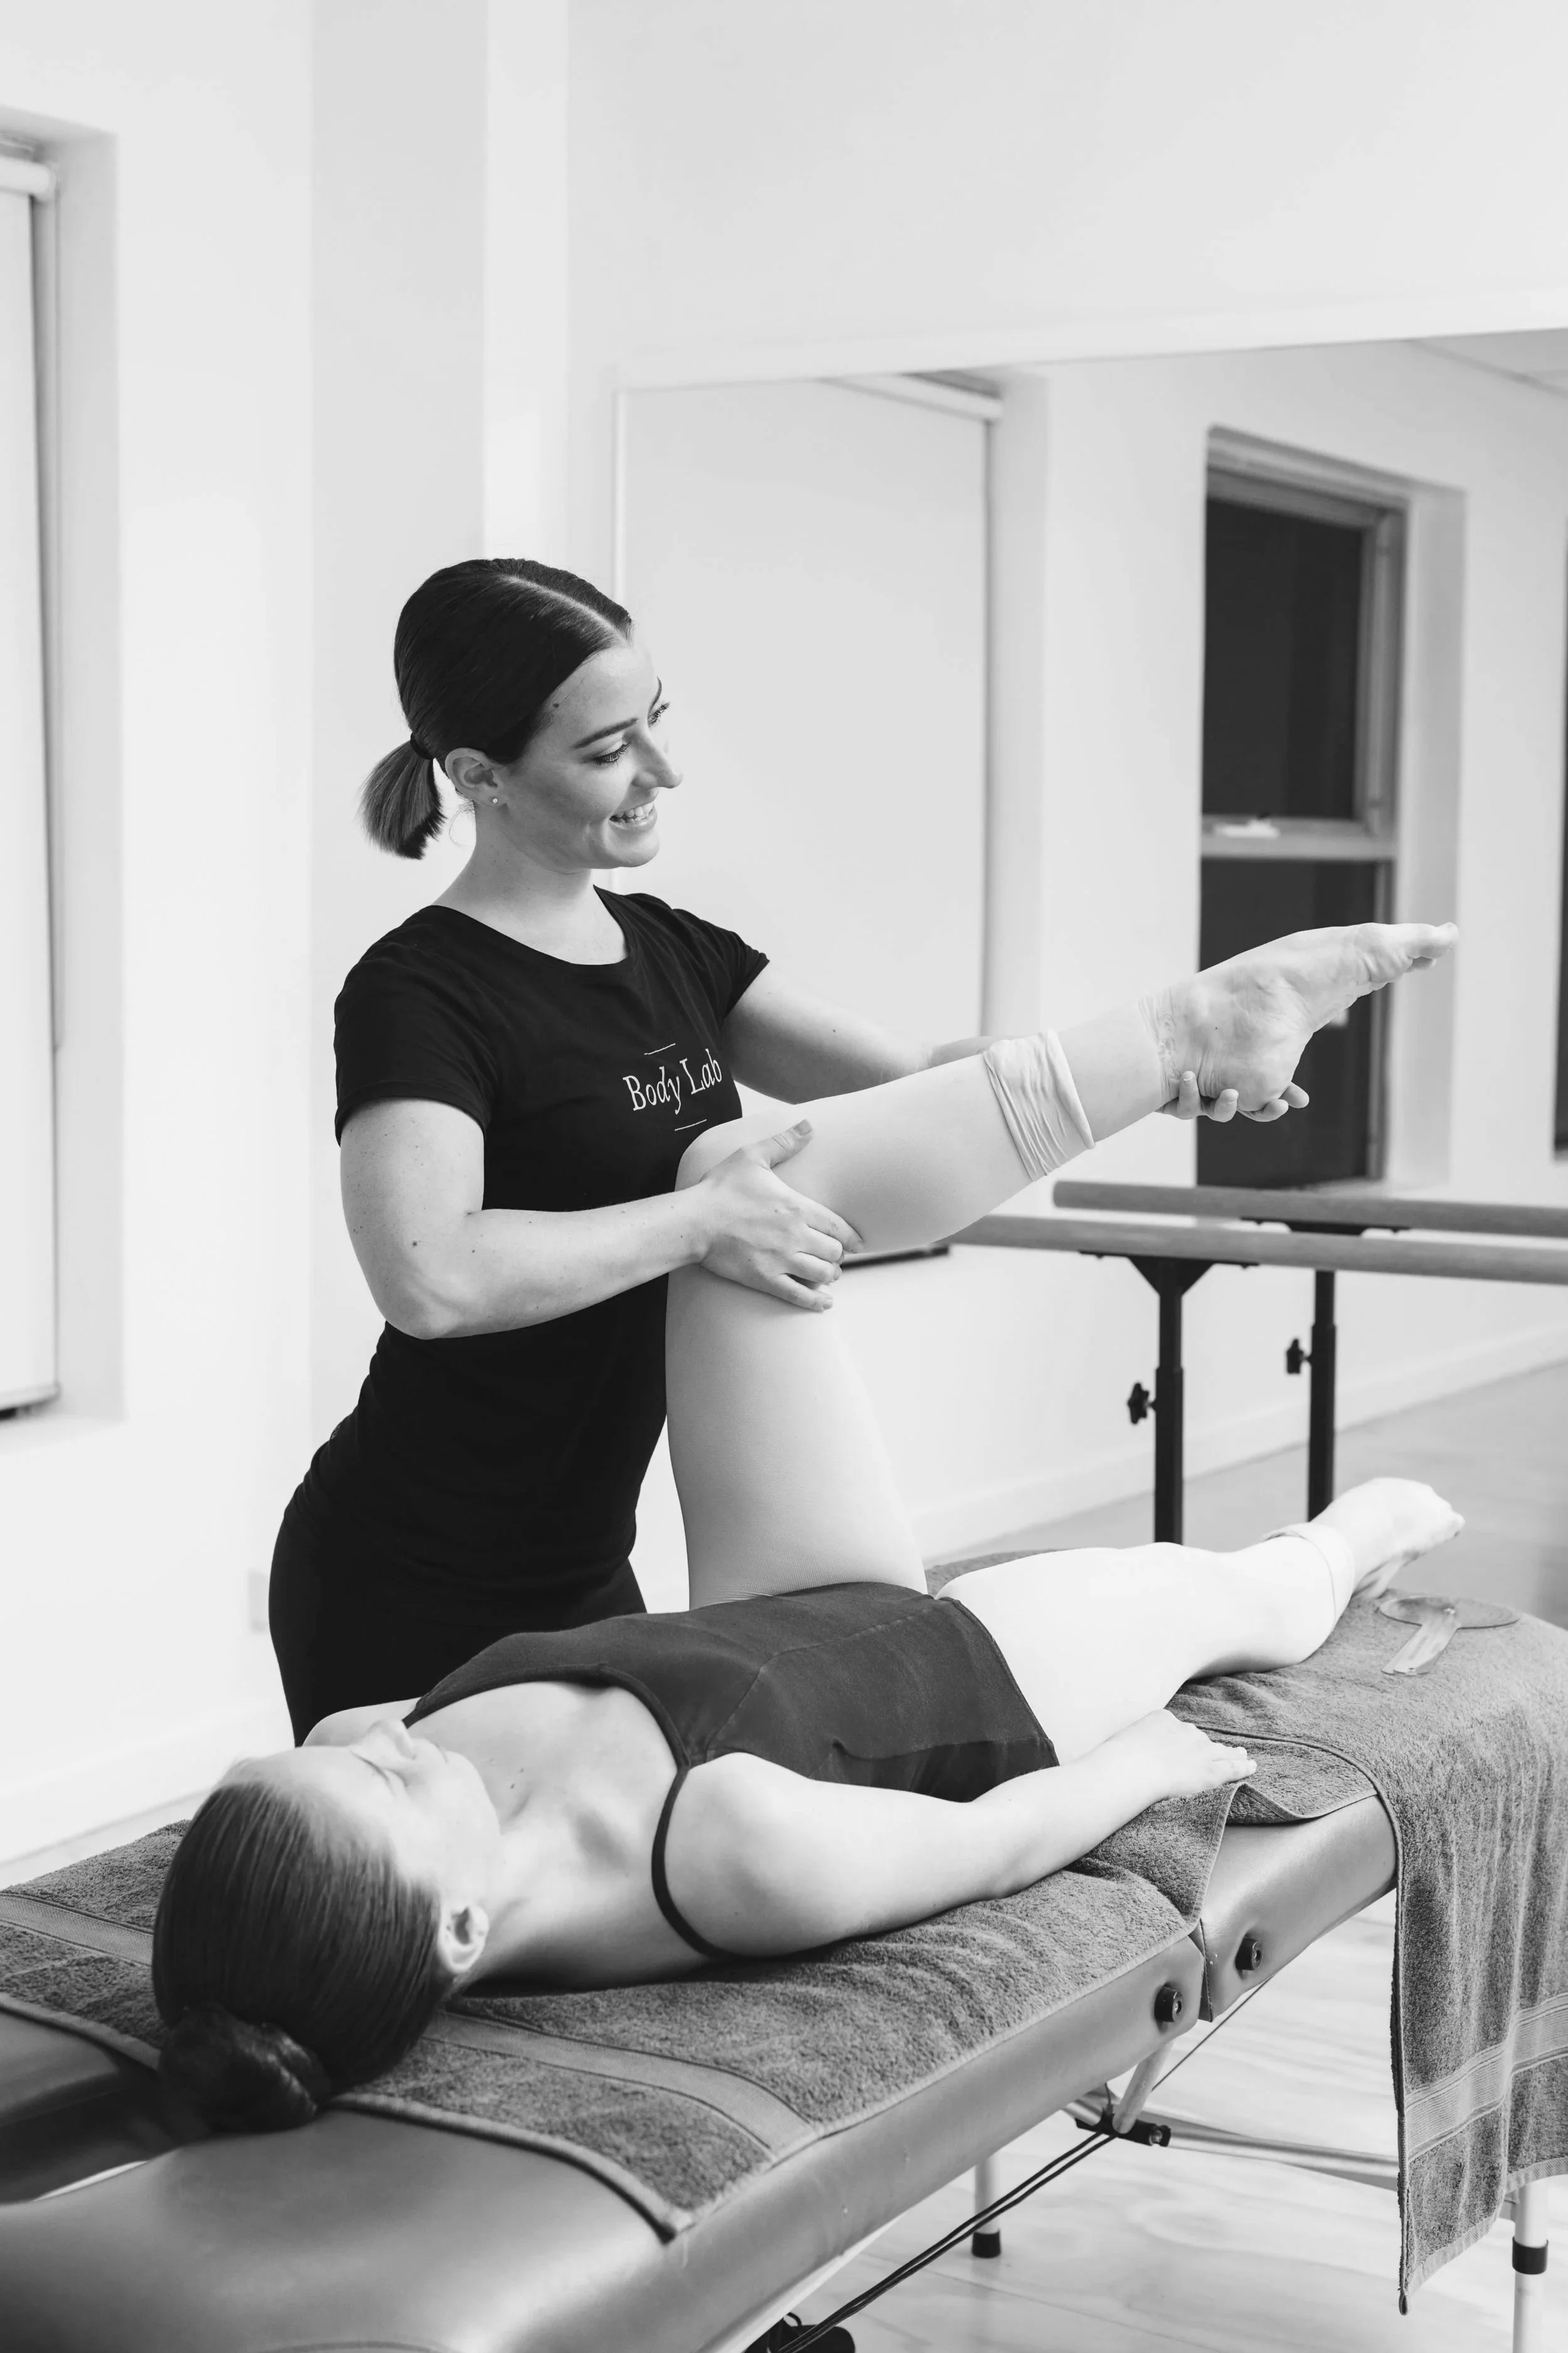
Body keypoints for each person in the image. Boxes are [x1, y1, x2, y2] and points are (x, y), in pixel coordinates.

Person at [156, 918, 1461, 2133]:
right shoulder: (727, 1860)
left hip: (777, 1591)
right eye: (388, 1774)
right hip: (976, 1666)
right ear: (454, 1929)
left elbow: (329, 1774)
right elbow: (985, 1844)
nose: (375, 1733)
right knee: (1251, 1596)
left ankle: (1189, 1029)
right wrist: (1143, 1770)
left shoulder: (354, 1752)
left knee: (738, 1181)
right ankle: (1352, 1536)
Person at [275, 556, 1126, 1737]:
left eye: (656, 722)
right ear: (478, 775)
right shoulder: (422, 992)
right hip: (409, 1570)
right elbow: (430, 1275)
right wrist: (699, 1220)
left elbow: (913, 1092)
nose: (661, 772)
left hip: (581, 1564)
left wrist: (1151, 1072)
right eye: (607, 747)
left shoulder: (673, 948)